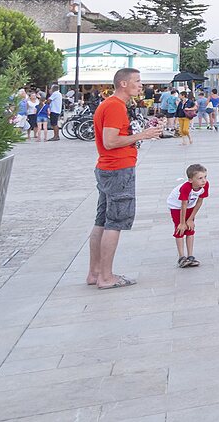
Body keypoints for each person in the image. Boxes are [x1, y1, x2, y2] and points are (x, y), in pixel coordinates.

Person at [87, 68, 162, 289]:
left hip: (109, 168)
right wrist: (142, 135)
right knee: (115, 222)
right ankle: (106, 277)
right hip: (118, 169)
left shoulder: (113, 105)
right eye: (137, 81)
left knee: (102, 220)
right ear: (123, 84)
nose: (141, 85)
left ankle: (95, 272)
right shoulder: (114, 106)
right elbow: (110, 141)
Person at [168, 164, 210, 268]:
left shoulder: (205, 185)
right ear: (191, 180)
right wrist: (182, 223)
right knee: (180, 229)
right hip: (176, 206)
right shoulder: (186, 187)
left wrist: (190, 219)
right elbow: (183, 204)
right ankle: (182, 257)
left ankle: (190, 256)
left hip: (191, 205)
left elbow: (199, 202)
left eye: (205, 177)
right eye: (200, 178)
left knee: (190, 229)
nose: (204, 180)